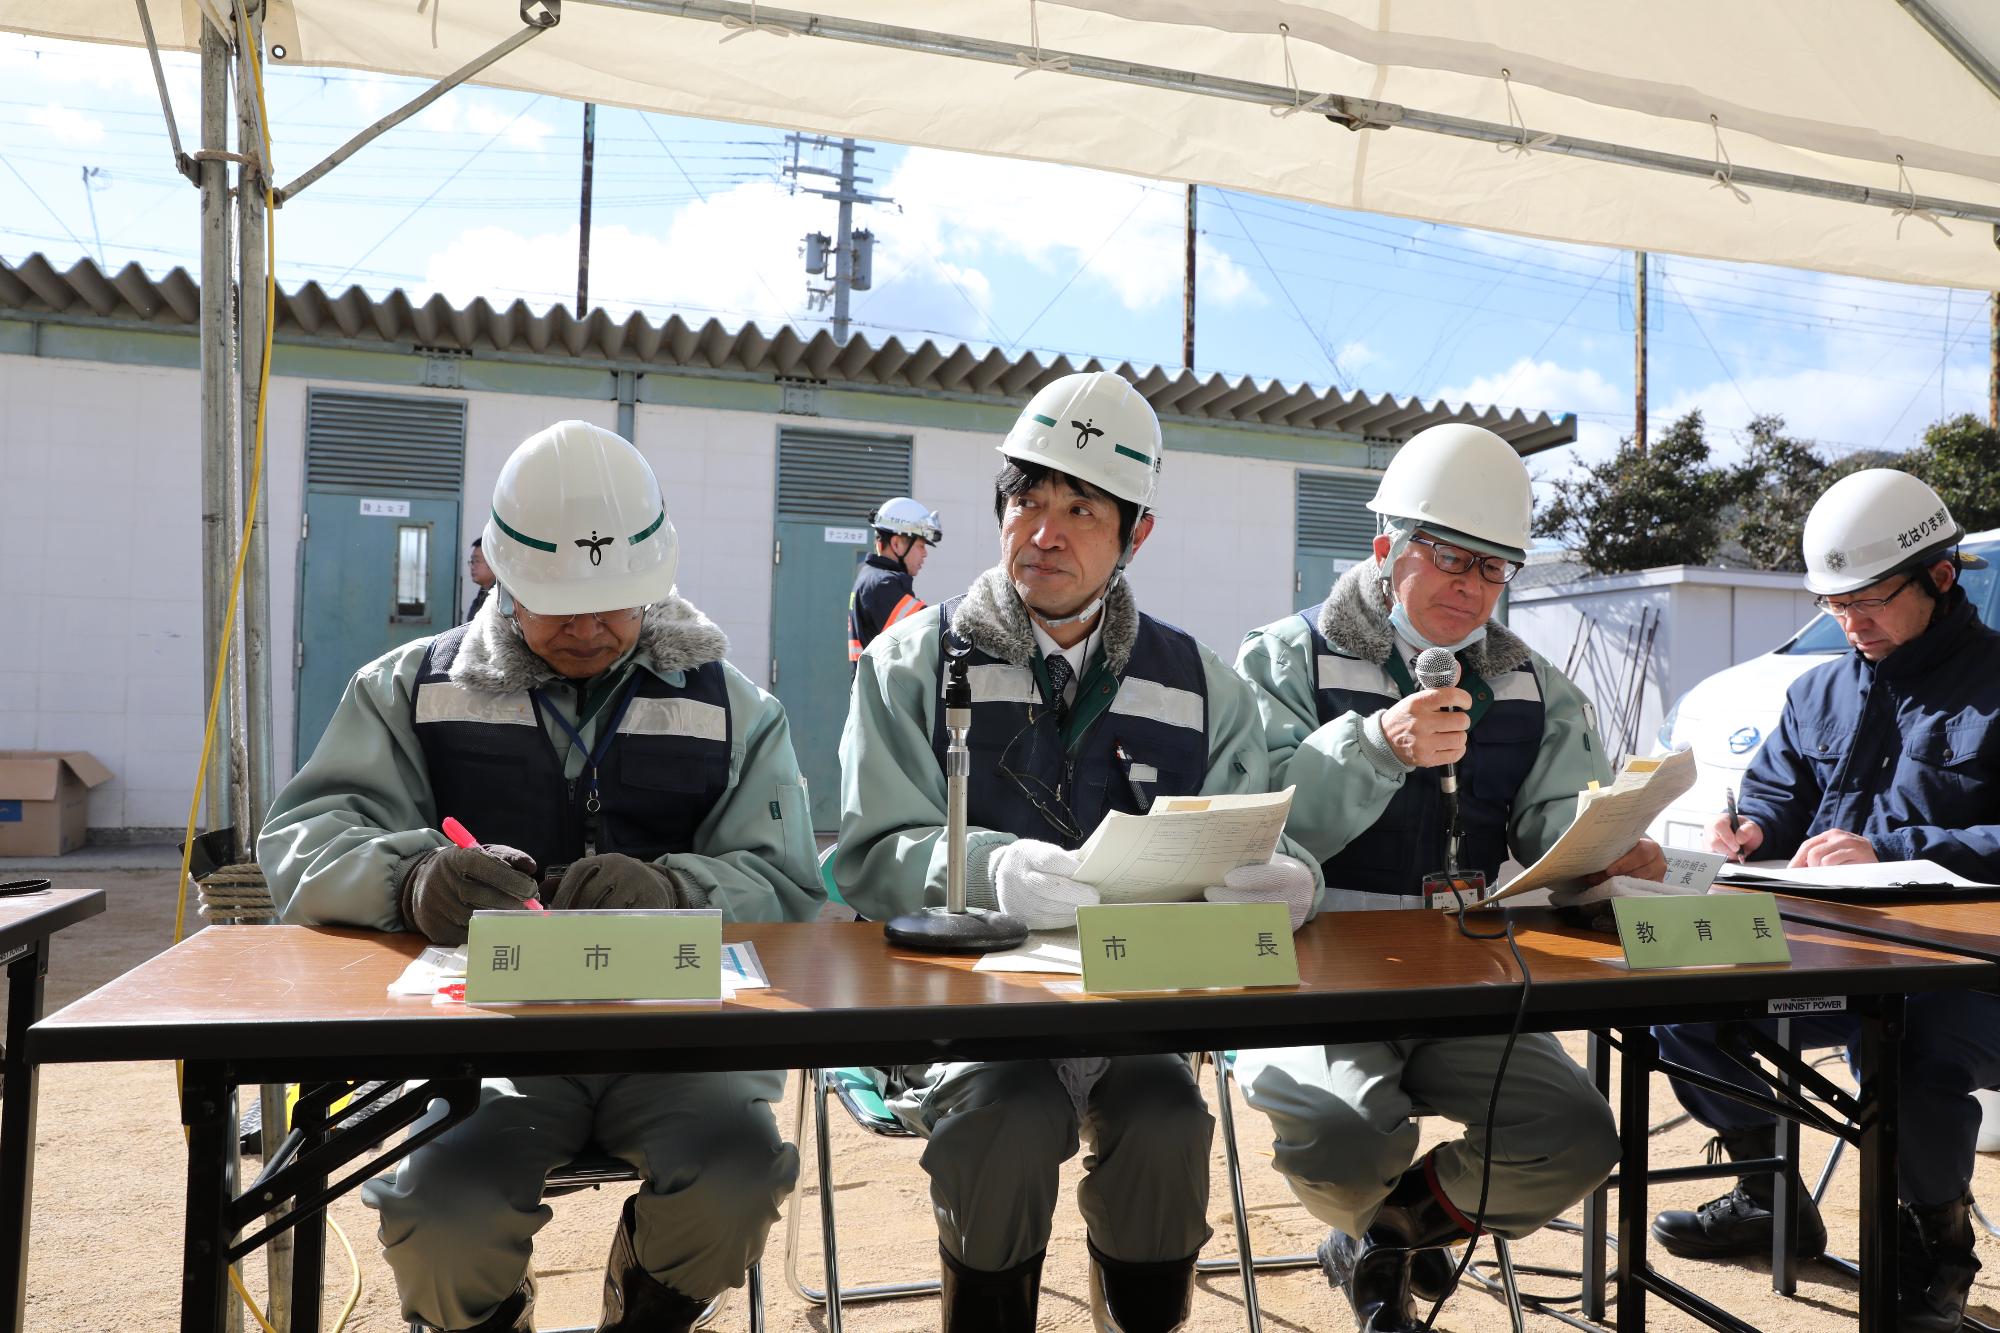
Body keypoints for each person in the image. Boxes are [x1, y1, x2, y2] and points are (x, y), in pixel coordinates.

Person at [258, 421, 821, 1333]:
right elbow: (305, 839)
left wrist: (675, 890)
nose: (590, 628)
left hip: (680, 1045)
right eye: (558, 603)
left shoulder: (734, 708)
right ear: (497, 571)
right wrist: (412, 883)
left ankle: (651, 1303)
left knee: (739, 1173)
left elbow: (789, 882)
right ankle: (490, 1318)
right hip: (483, 1049)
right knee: (443, 1207)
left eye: (616, 603)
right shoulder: (410, 687)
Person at [837, 371, 1323, 1333]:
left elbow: (1256, 822)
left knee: (1170, 1121)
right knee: (1004, 1123)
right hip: (973, 1025)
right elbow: (868, 854)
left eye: (1079, 509)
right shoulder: (912, 664)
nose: (1043, 532)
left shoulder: (1201, 685)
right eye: (1025, 501)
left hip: (1137, 1014)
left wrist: (1282, 876)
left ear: (1135, 534)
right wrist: (989, 871)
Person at [1233, 423, 1653, 1333]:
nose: (1471, 586)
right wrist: (1373, 744)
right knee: (1345, 1136)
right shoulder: (1283, 657)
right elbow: (1247, 824)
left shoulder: (1536, 686)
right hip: (1313, 971)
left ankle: (1397, 1233)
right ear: (1385, 548)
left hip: (1464, 968)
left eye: (1494, 568)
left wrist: (1609, 844)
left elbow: (1554, 826)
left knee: (1576, 1138)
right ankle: (1372, 1218)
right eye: (1450, 557)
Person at [1650, 468, 2000, 1333]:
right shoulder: (1818, 691)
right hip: (1825, 951)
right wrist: (1754, 834)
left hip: (1962, 975)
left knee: (1908, 1054)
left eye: (1869, 601)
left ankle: (1936, 1245)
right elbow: (1775, 798)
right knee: (1668, 997)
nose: (1850, 623)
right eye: (1833, 604)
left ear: (1941, 576)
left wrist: (1895, 847)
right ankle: (1768, 1188)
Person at [848, 496, 941, 663]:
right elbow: (933, 634)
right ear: (897, 543)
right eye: (921, 545)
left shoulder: (871, 577)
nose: (925, 553)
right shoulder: (882, 586)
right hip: (881, 688)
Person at [464, 536, 496, 623]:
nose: (472, 566)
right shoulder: (482, 595)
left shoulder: (501, 601)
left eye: (477, 561)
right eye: (472, 561)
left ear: (492, 562)